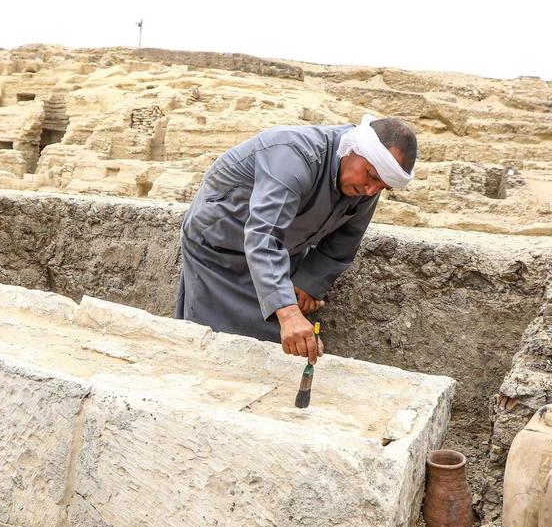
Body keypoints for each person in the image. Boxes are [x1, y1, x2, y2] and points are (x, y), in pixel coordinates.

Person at [175, 115, 416, 363]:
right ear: (353, 149)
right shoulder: (295, 156)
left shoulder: (364, 185)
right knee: (213, 346)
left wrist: (309, 282)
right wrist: (289, 314)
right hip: (218, 250)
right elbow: (264, 234)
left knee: (274, 352)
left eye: (382, 187)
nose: (371, 191)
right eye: (371, 176)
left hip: (280, 254)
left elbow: (345, 240)